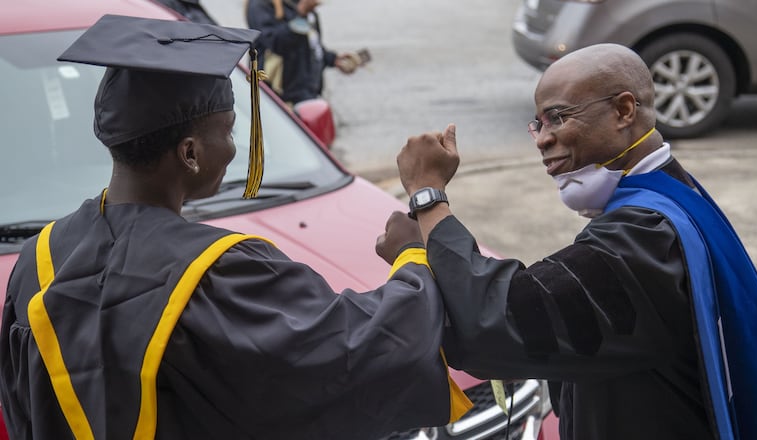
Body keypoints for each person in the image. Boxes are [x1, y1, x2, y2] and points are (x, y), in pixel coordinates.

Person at [0, 15, 470, 439]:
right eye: (226, 131)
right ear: (189, 153)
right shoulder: (217, 275)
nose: (232, 148)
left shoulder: (38, 262)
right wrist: (413, 254)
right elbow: (361, 347)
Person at [384, 43, 757, 440]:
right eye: (538, 123)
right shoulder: (675, 194)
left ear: (623, 110)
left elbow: (498, 325)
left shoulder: (646, 236)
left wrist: (427, 198)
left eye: (558, 117)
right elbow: (569, 332)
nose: (542, 139)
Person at [245, 0, 359, 105]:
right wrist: (301, 14)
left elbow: (310, 47)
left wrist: (333, 60)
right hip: (279, 100)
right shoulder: (260, 5)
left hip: (308, 95)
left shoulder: (301, 5)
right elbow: (277, 43)